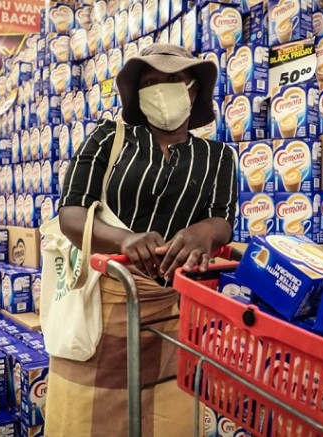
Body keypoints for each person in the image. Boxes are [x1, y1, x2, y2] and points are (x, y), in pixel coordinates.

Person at [45, 44, 238, 436]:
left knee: (172, 420)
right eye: (151, 81)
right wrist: (124, 239)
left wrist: (205, 231)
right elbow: (71, 214)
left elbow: (223, 219)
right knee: (90, 421)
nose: (162, 88)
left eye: (174, 80)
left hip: (179, 310)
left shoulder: (218, 156)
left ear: (194, 89)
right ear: (137, 92)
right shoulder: (108, 138)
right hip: (107, 304)